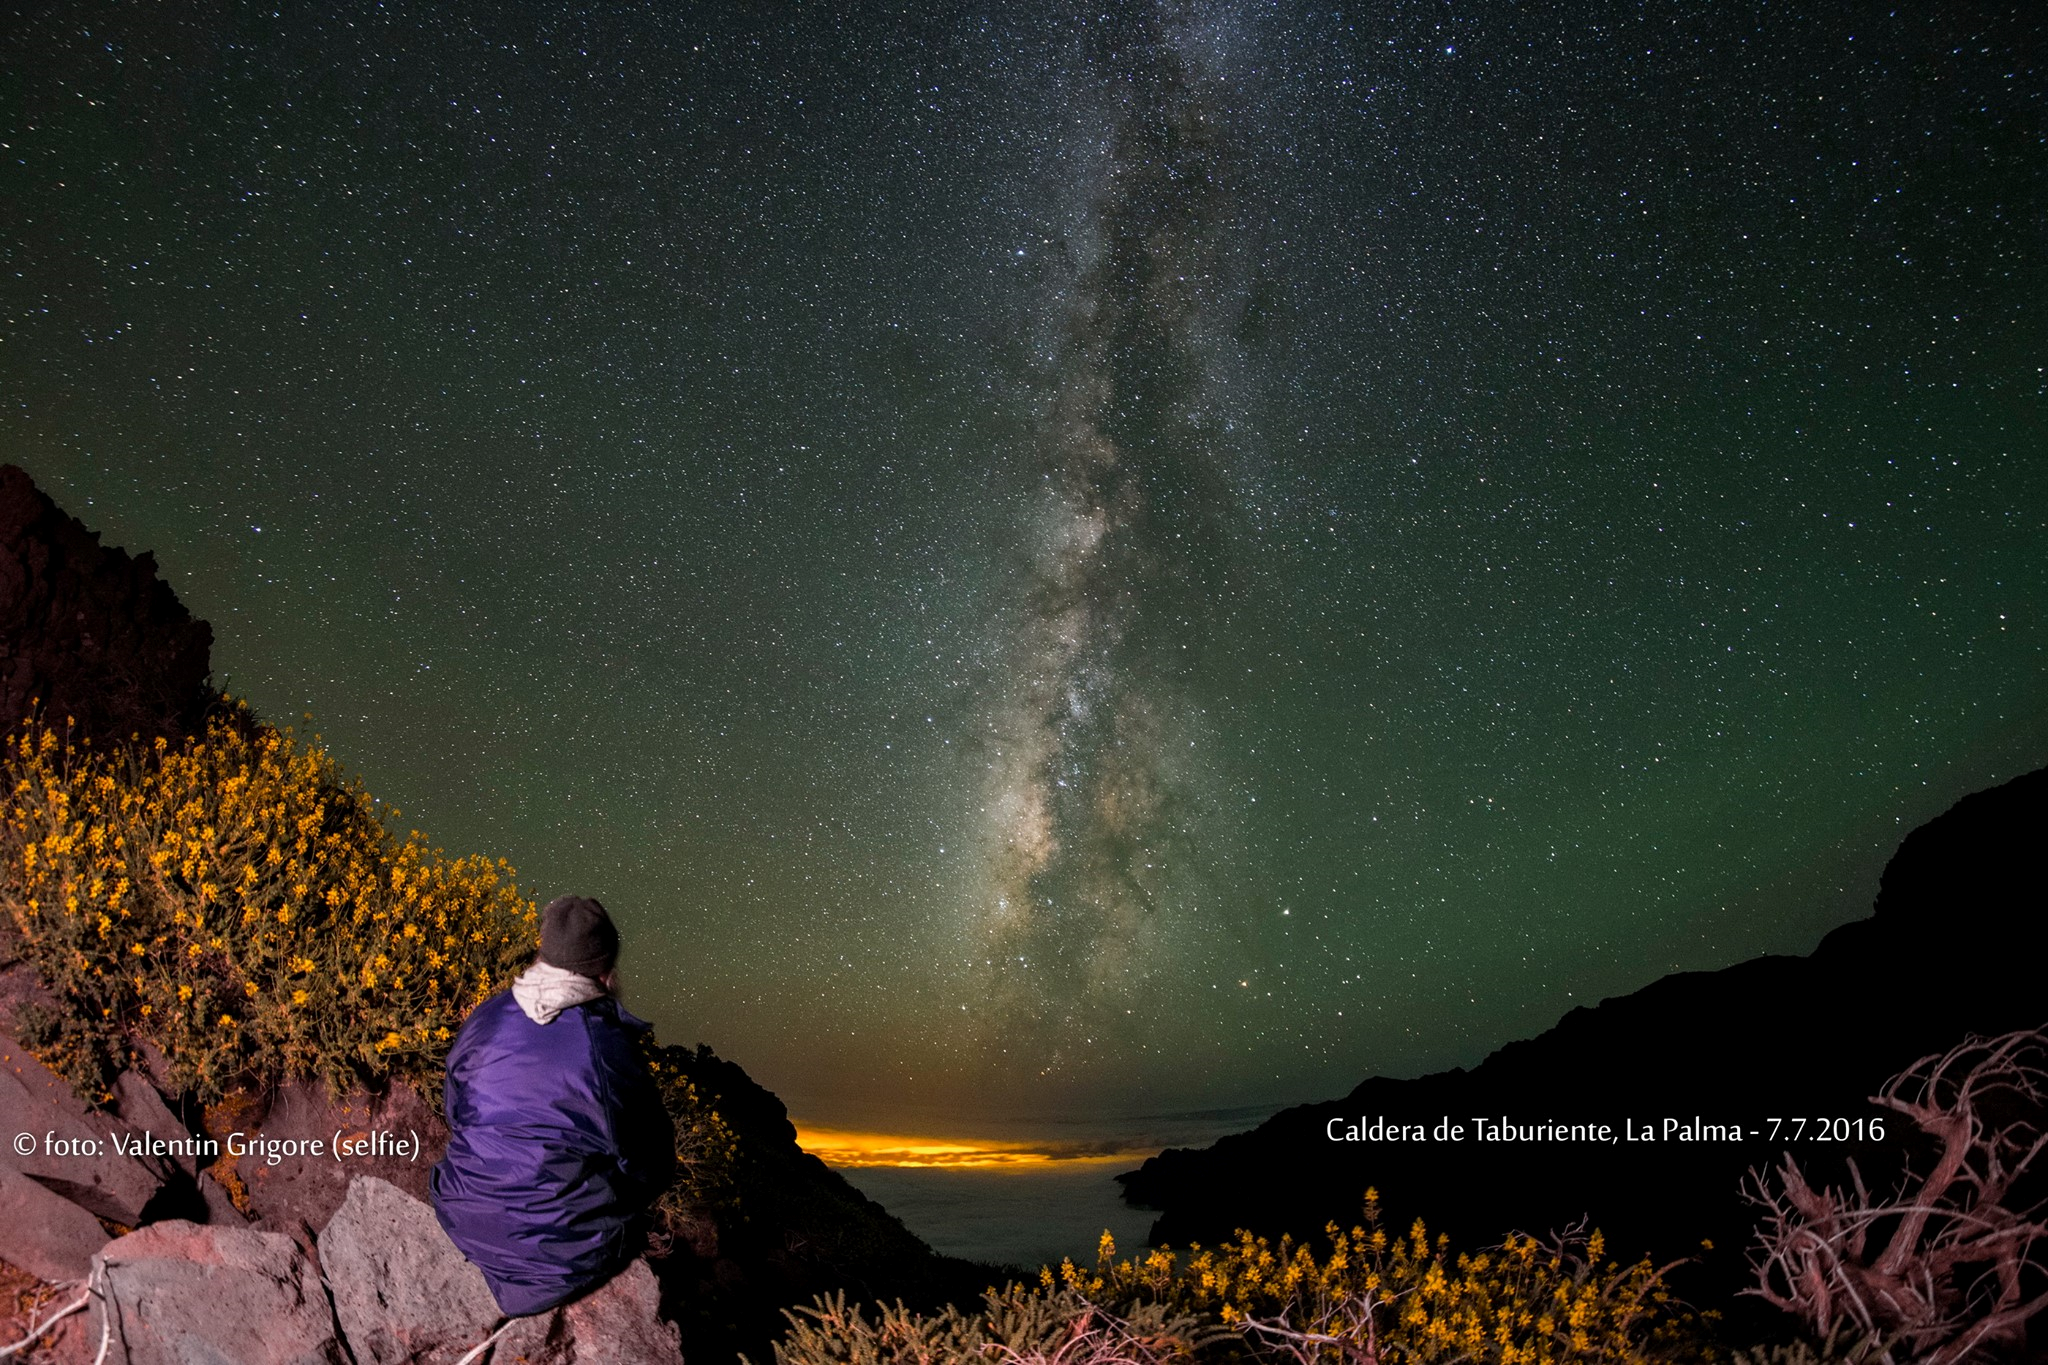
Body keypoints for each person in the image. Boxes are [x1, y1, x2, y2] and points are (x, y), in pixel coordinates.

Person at [431, 895, 676, 1316]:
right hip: (560, 1259)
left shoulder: (488, 1016)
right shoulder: (606, 1049)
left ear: (543, 953)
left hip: (464, 1215)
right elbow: (651, 1163)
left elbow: (455, 1110)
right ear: (605, 971)